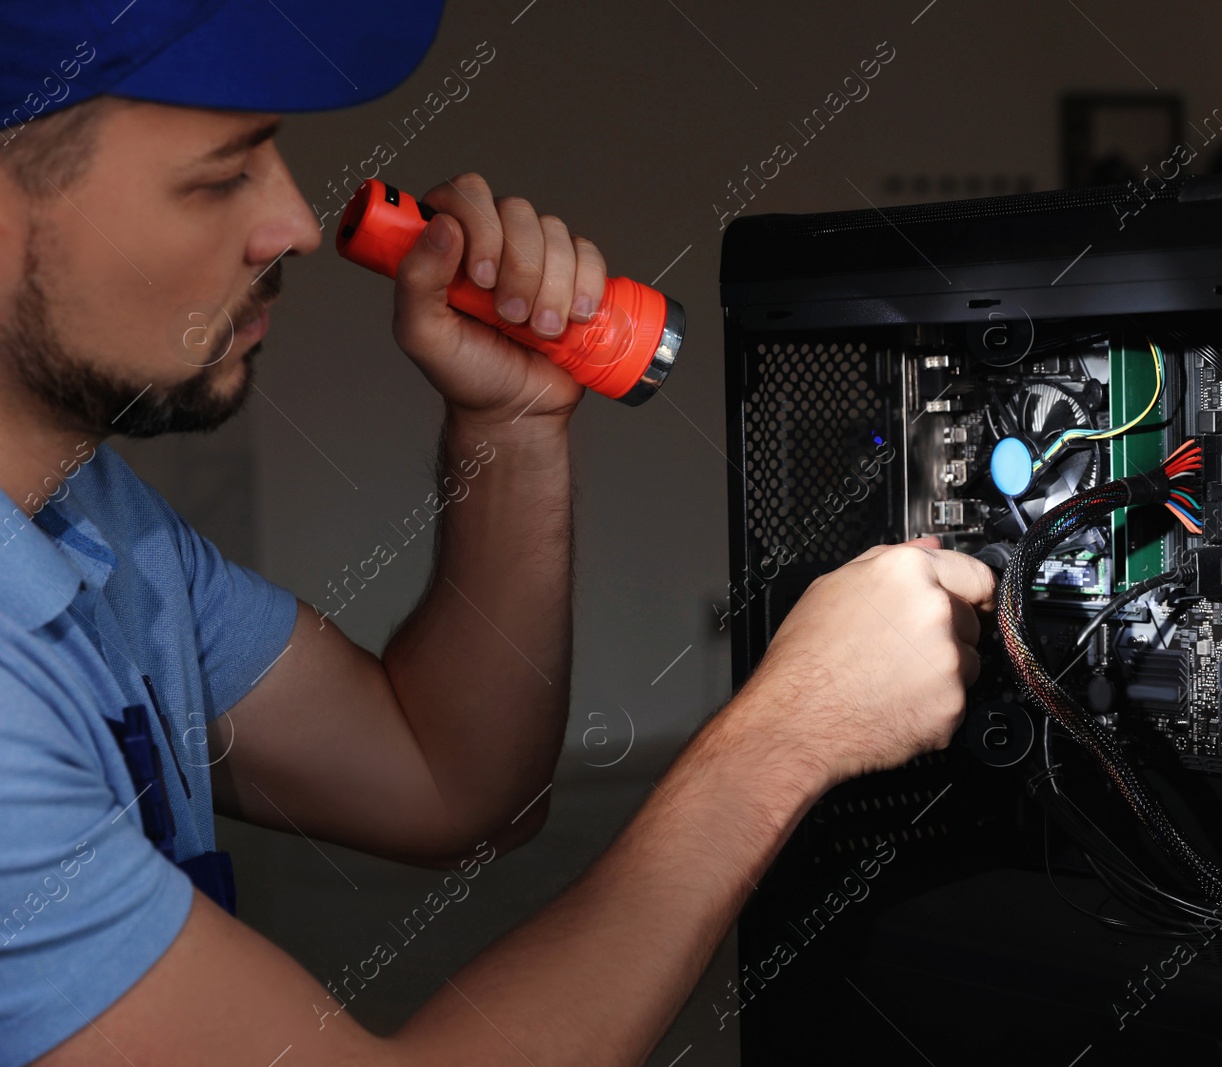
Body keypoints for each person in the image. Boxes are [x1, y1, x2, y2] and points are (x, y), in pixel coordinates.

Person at [0, 3, 995, 1063]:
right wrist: (783, 739)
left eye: (272, 155)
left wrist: (509, 423)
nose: (291, 219)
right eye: (216, 176)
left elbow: (449, 779)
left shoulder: (87, 519)